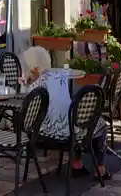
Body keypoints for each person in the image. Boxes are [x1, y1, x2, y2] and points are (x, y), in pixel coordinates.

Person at [20, 46, 109, 179]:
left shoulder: (34, 88)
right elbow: (76, 73)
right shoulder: (60, 74)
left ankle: (76, 164)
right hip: (69, 130)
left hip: (45, 135)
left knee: (72, 121)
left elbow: (28, 107)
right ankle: (100, 168)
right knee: (99, 123)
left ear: (34, 67)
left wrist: (27, 83)